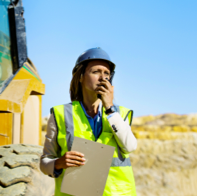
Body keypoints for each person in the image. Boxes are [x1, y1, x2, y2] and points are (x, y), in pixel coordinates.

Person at [40, 47, 138, 195]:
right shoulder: (61, 114)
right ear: (81, 76)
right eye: (95, 72)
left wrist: (110, 108)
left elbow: (130, 146)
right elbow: (45, 162)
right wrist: (59, 163)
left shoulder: (119, 114)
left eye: (106, 74)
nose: (102, 78)